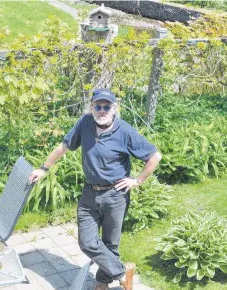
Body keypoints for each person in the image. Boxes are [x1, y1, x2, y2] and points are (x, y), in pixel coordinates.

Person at [29, 88, 162, 290]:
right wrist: (43, 168)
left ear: (113, 108)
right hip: (89, 193)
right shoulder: (85, 123)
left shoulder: (124, 131)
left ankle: (103, 282)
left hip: (115, 195)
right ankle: (121, 273)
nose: (102, 111)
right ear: (92, 107)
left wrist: (137, 180)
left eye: (106, 106)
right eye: (98, 106)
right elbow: (64, 147)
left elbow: (155, 157)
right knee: (87, 243)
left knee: (110, 242)